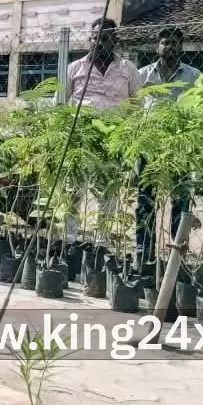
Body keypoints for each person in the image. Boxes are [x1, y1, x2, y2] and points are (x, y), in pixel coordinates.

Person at [64, 17, 140, 244]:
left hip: (112, 139)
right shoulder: (75, 68)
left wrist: (128, 135)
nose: (98, 42)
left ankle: (101, 240)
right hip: (81, 138)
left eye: (104, 38)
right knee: (74, 189)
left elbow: (137, 104)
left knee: (106, 190)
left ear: (114, 41)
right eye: (94, 38)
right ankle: (69, 238)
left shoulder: (128, 69)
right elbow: (61, 102)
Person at [135, 26, 202, 270]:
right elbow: (134, 109)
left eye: (174, 42)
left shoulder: (194, 76)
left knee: (181, 201)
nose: (169, 47)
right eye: (165, 42)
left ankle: (176, 258)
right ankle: (143, 254)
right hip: (149, 146)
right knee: (145, 202)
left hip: (180, 147)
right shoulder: (142, 75)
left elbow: (199, 109)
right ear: (157, 46)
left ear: (181, 46)